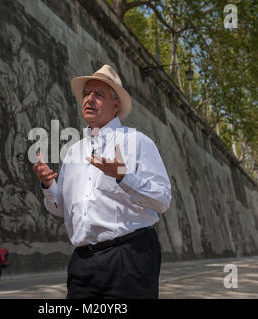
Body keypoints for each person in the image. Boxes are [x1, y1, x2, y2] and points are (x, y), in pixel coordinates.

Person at [32, 64, 172, 299]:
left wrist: (123, 176)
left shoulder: (137, 142)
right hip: (83, 263)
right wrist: (48, 186)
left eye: (99, 94)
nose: (89, 99)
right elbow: (62, 209)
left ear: (116, 106)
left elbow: (162, 200)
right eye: (87, 93)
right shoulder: (73, 153)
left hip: (130, 258)